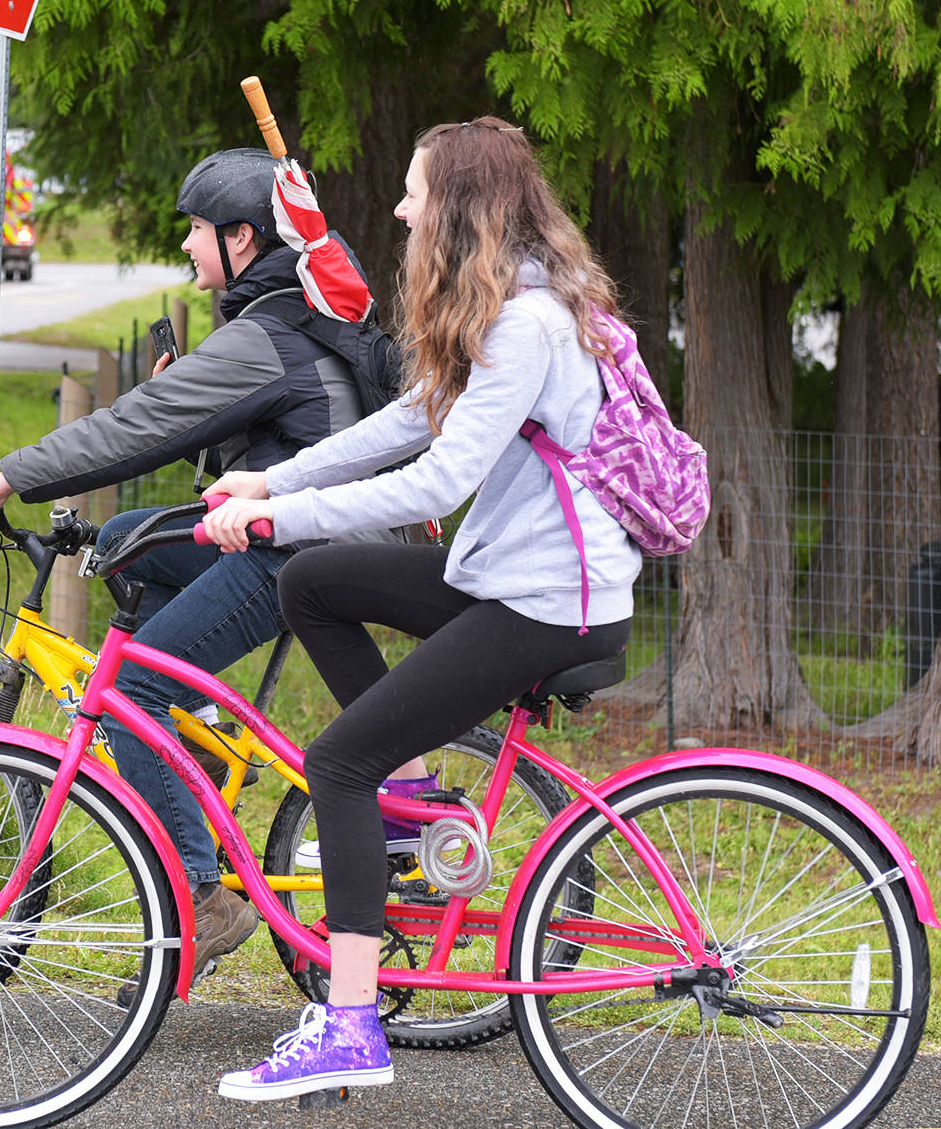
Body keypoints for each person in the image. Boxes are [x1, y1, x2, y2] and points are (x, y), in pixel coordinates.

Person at [201, 117, 641, 1100]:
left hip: (546, 603)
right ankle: (406, 808)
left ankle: (350, 1024)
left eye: (412, 194)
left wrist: (278, 514)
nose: (398, 210)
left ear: (456, 210)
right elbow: (406, 422)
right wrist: (271, 488)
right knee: (311, 583)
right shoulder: (515, 306)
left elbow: (435, 477)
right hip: (520, 578)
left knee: (332, 761)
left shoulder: (526, 325)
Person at [0, 147, 380, 995]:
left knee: (133, 689)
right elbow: (244, 434)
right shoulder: (285, 313)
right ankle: (192, 743)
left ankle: (204, 891)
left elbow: (136, 426)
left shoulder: (266, 332)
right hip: (288, 534)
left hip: (295, 553)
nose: (185, 244)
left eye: (195, 229)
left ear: (242, 236)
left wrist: (10, 478)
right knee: (126, 541)